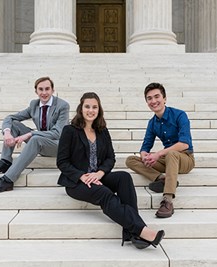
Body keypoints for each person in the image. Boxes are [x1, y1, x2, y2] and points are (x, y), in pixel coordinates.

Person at [57, 92, 164, 249]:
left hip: (97, 176)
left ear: (99, 109)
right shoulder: (70, 130)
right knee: (104, 193)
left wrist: (99, 173)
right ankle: (142, 231)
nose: (91, 110)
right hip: (77, 182)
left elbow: (110, 158)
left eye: (95, 107)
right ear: (81, 108)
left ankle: (132, 232)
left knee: (124, 177)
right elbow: (62, 162)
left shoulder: (102, 131)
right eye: (87, 106)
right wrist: (81, 176)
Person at [0, 76, 70, 193]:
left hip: (58, 146)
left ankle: (7, 180)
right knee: (14, 124)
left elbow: (58, 133)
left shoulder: (63, 106)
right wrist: (7, 133)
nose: (44, 93)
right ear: (36, 91)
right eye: (40, 89)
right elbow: (10, 118)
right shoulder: (34, 105)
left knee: (35, 138)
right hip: (39, 142)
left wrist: (29, 134)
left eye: (47, 89)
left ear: (53, 90)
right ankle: (5, 161)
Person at [126, 82, 195, 218]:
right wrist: (145, 156)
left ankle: (167, 200)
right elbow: (145, 147)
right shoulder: (152, 123)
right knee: (131, 160)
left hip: (185, 159)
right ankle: (162, 179)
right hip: (168, 159)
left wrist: (158, 154)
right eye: (149, 98)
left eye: (157, 97)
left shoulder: (179, 115)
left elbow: (184, 144)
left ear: (164, 98)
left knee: (171, 154)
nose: (153, 101)